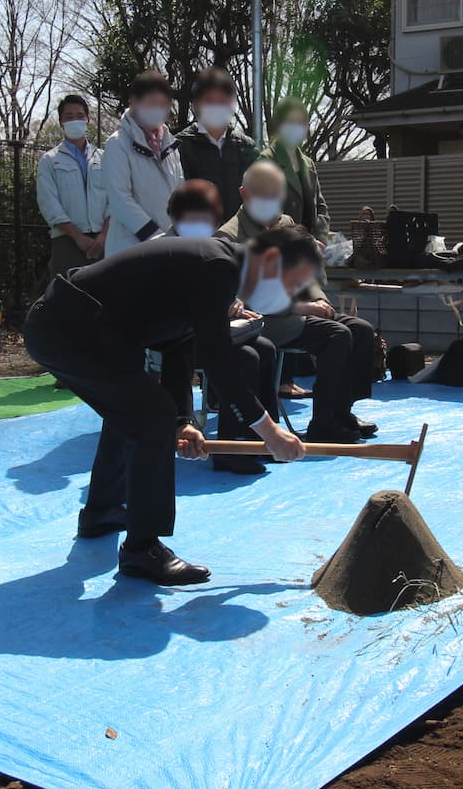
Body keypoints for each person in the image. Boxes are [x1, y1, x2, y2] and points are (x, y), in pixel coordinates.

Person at [23, 227, 315, 585]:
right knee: (149, 415)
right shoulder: (217, 267)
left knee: (135, 411)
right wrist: (269, 433)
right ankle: (142, 549)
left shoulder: (220, 265)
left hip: (77, 328)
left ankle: (101, 511)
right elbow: (219, 360)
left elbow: (179, 346)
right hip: (69, 329)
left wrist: (183, 420)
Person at [219, 161, 379, 443]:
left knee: (361, 329)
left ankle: (341, 411)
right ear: (245, 194)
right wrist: (304, 308)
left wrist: (319, 300)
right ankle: (325, 423)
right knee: (336, 336)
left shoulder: (286, 224)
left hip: (298, 310)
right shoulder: (229, 237)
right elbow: (247, 301)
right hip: (262, 320)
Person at [160, 179, 278, 475]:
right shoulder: (166, 249)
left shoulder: (209, 246)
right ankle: (228, 446)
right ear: (175, 218)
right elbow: (182, 307)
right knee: (244, 359)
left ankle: (262, 436)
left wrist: (234, 303)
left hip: (204, 329)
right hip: (174, 342)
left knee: (265, 348)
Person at [100, 70, 182, 256]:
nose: (157, 109)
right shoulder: (117, 143)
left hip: (167, 248)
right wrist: (155, 236)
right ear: (133, 102)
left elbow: (180, 194)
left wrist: (175, 236)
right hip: (129, 249)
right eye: (151, 102)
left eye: (162, 104)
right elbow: (120, 200)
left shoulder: (171, 145)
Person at [36, 94, 108, 277]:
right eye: (68, 117)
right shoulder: (50, 160)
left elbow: (115, 198)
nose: (74, 120)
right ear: (61, 121)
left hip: (103, 241)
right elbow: (49, 204)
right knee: (68, 298)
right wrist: (78, 237)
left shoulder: (104, 157)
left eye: (79, 115)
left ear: (87, 119)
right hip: (67, 242)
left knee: (105, 297)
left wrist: (104, 235)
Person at [176, 68, 259, 218]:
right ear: (195, 104)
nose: (216, 107)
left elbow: (259, 194)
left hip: (241, 235)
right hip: (198, 234)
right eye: (209, 101)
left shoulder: (247, 146)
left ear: (232, 104)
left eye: (222, 101)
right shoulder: (180, 146)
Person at [260, 98, 331, 243]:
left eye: (301, 123)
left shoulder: (308, 163)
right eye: (291, 122)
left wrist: (320, 239)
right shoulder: (267, 159)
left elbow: (321, 208)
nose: (296, 128)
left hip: (311, 247)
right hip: (280, 245)